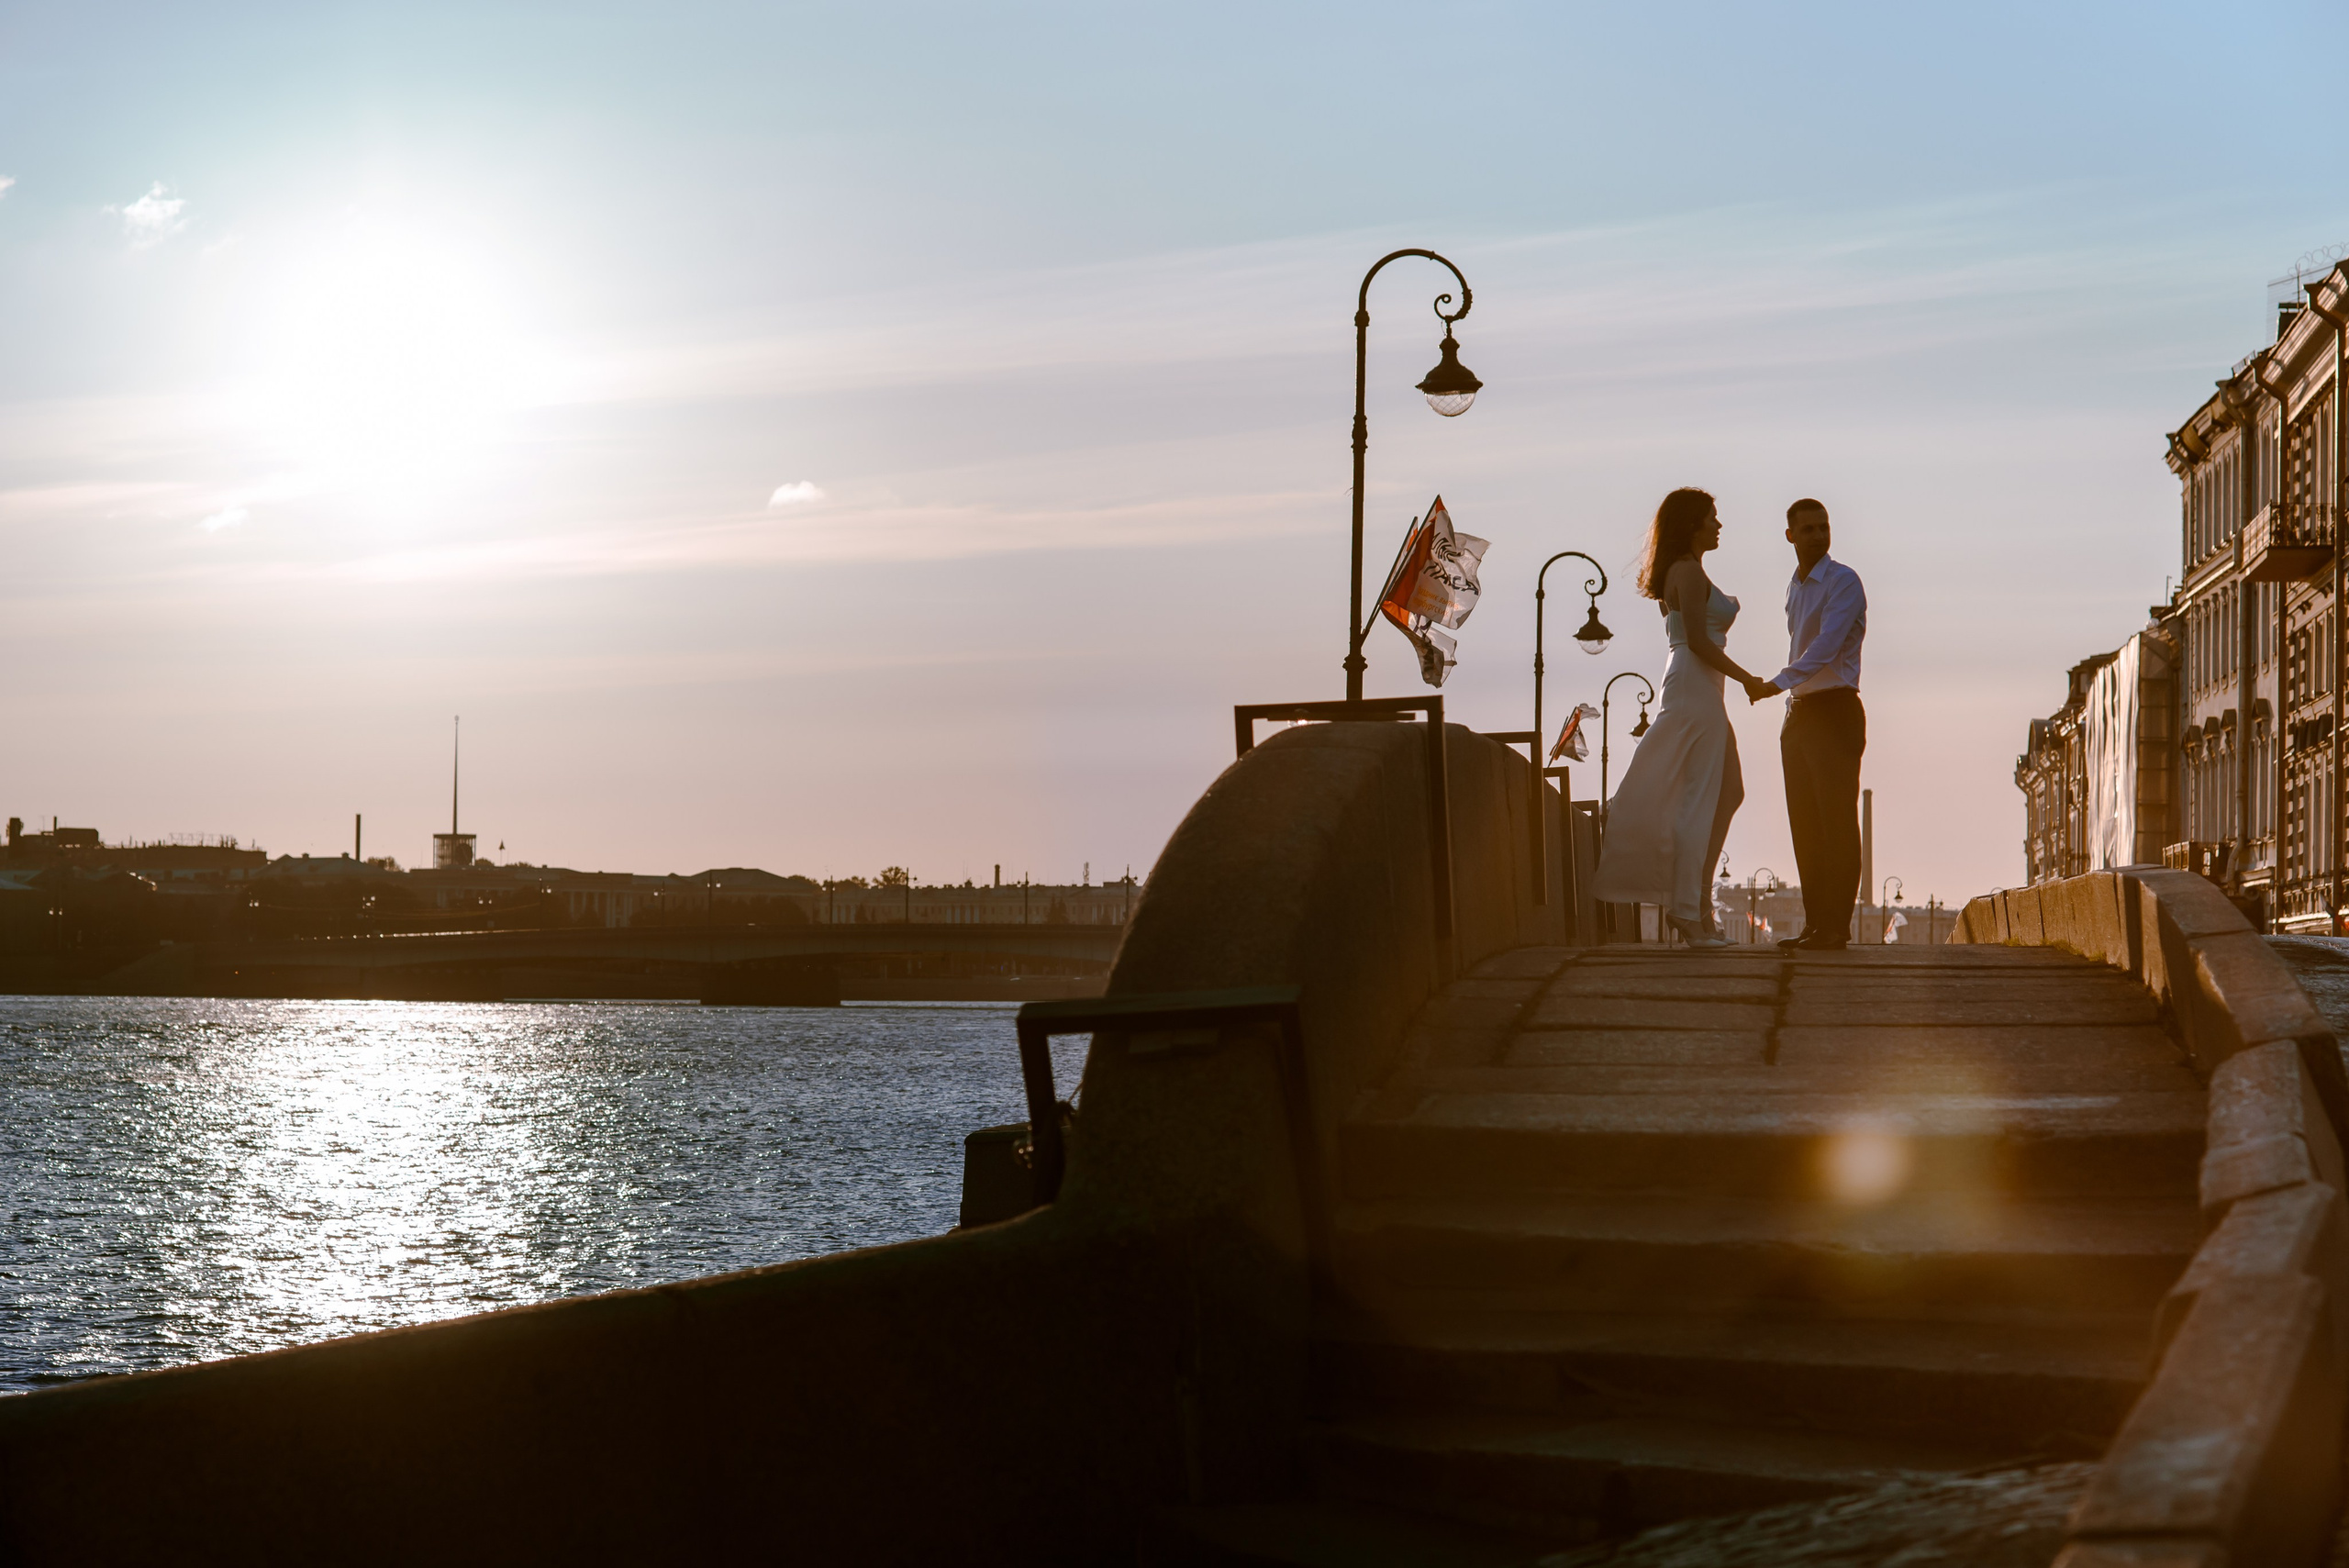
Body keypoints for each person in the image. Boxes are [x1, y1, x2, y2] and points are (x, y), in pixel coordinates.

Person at [1592, 488, 1769, 948]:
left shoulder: (1686, 572)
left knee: (1729, 793)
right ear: (1692, 524)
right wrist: (1749, 679)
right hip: (1695, 685)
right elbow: (1696, 641)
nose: (1719, 525)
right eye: (1712, 517)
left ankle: (1698, 905)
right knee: (1700, 801)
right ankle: (1688, 913)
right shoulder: (1687, 573)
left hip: (1697, 686)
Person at [1742, 498, 1867, 951]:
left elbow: (1826, 647)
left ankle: (1836, 927)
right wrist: (1786, 693)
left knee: (1836, 821)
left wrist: (1775, 683)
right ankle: (1816, 925)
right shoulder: (1795, 587)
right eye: (1808, 529)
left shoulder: (1843, 581)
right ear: (1790, 536)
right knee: (1806, 825)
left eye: (1823, 527)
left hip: (1834, 710)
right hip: (1799, 715)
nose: (1817, 535)